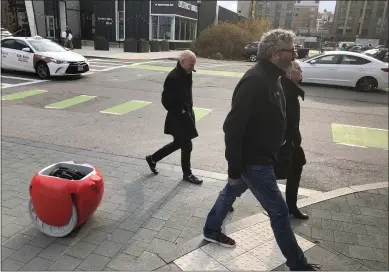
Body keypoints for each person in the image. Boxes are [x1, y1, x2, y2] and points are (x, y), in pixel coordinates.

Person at [202, 29, 319, 271]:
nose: (296, 55)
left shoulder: (274, 78)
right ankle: (298, 265)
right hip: (254, 163)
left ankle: (211, 230)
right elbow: (232, 127)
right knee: (280, 213)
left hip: (260, 159)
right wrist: (234, 167)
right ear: (276, 54)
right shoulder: (255, 80)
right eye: (292, 50)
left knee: (229, 194)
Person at [146, 50, 203, 185]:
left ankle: (153, 158)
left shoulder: (186, 72)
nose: (192, 68)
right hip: (178, 118)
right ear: (182, 61)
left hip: (186, 115)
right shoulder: (173, 77)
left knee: (179, 143)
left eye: (194, 65)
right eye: (191, 65)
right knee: (186, 145)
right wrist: (181, 112)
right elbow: (166, 101)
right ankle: (187, 174)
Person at [276, 60, 309, 220]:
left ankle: (292, 207)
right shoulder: (283, 91)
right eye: (299, 70)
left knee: (296, 170)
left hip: (293, 143)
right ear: (290, 73)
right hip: (280, 144)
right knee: (251, 177)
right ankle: (227, 198)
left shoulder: (291, 90)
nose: (301, 73)